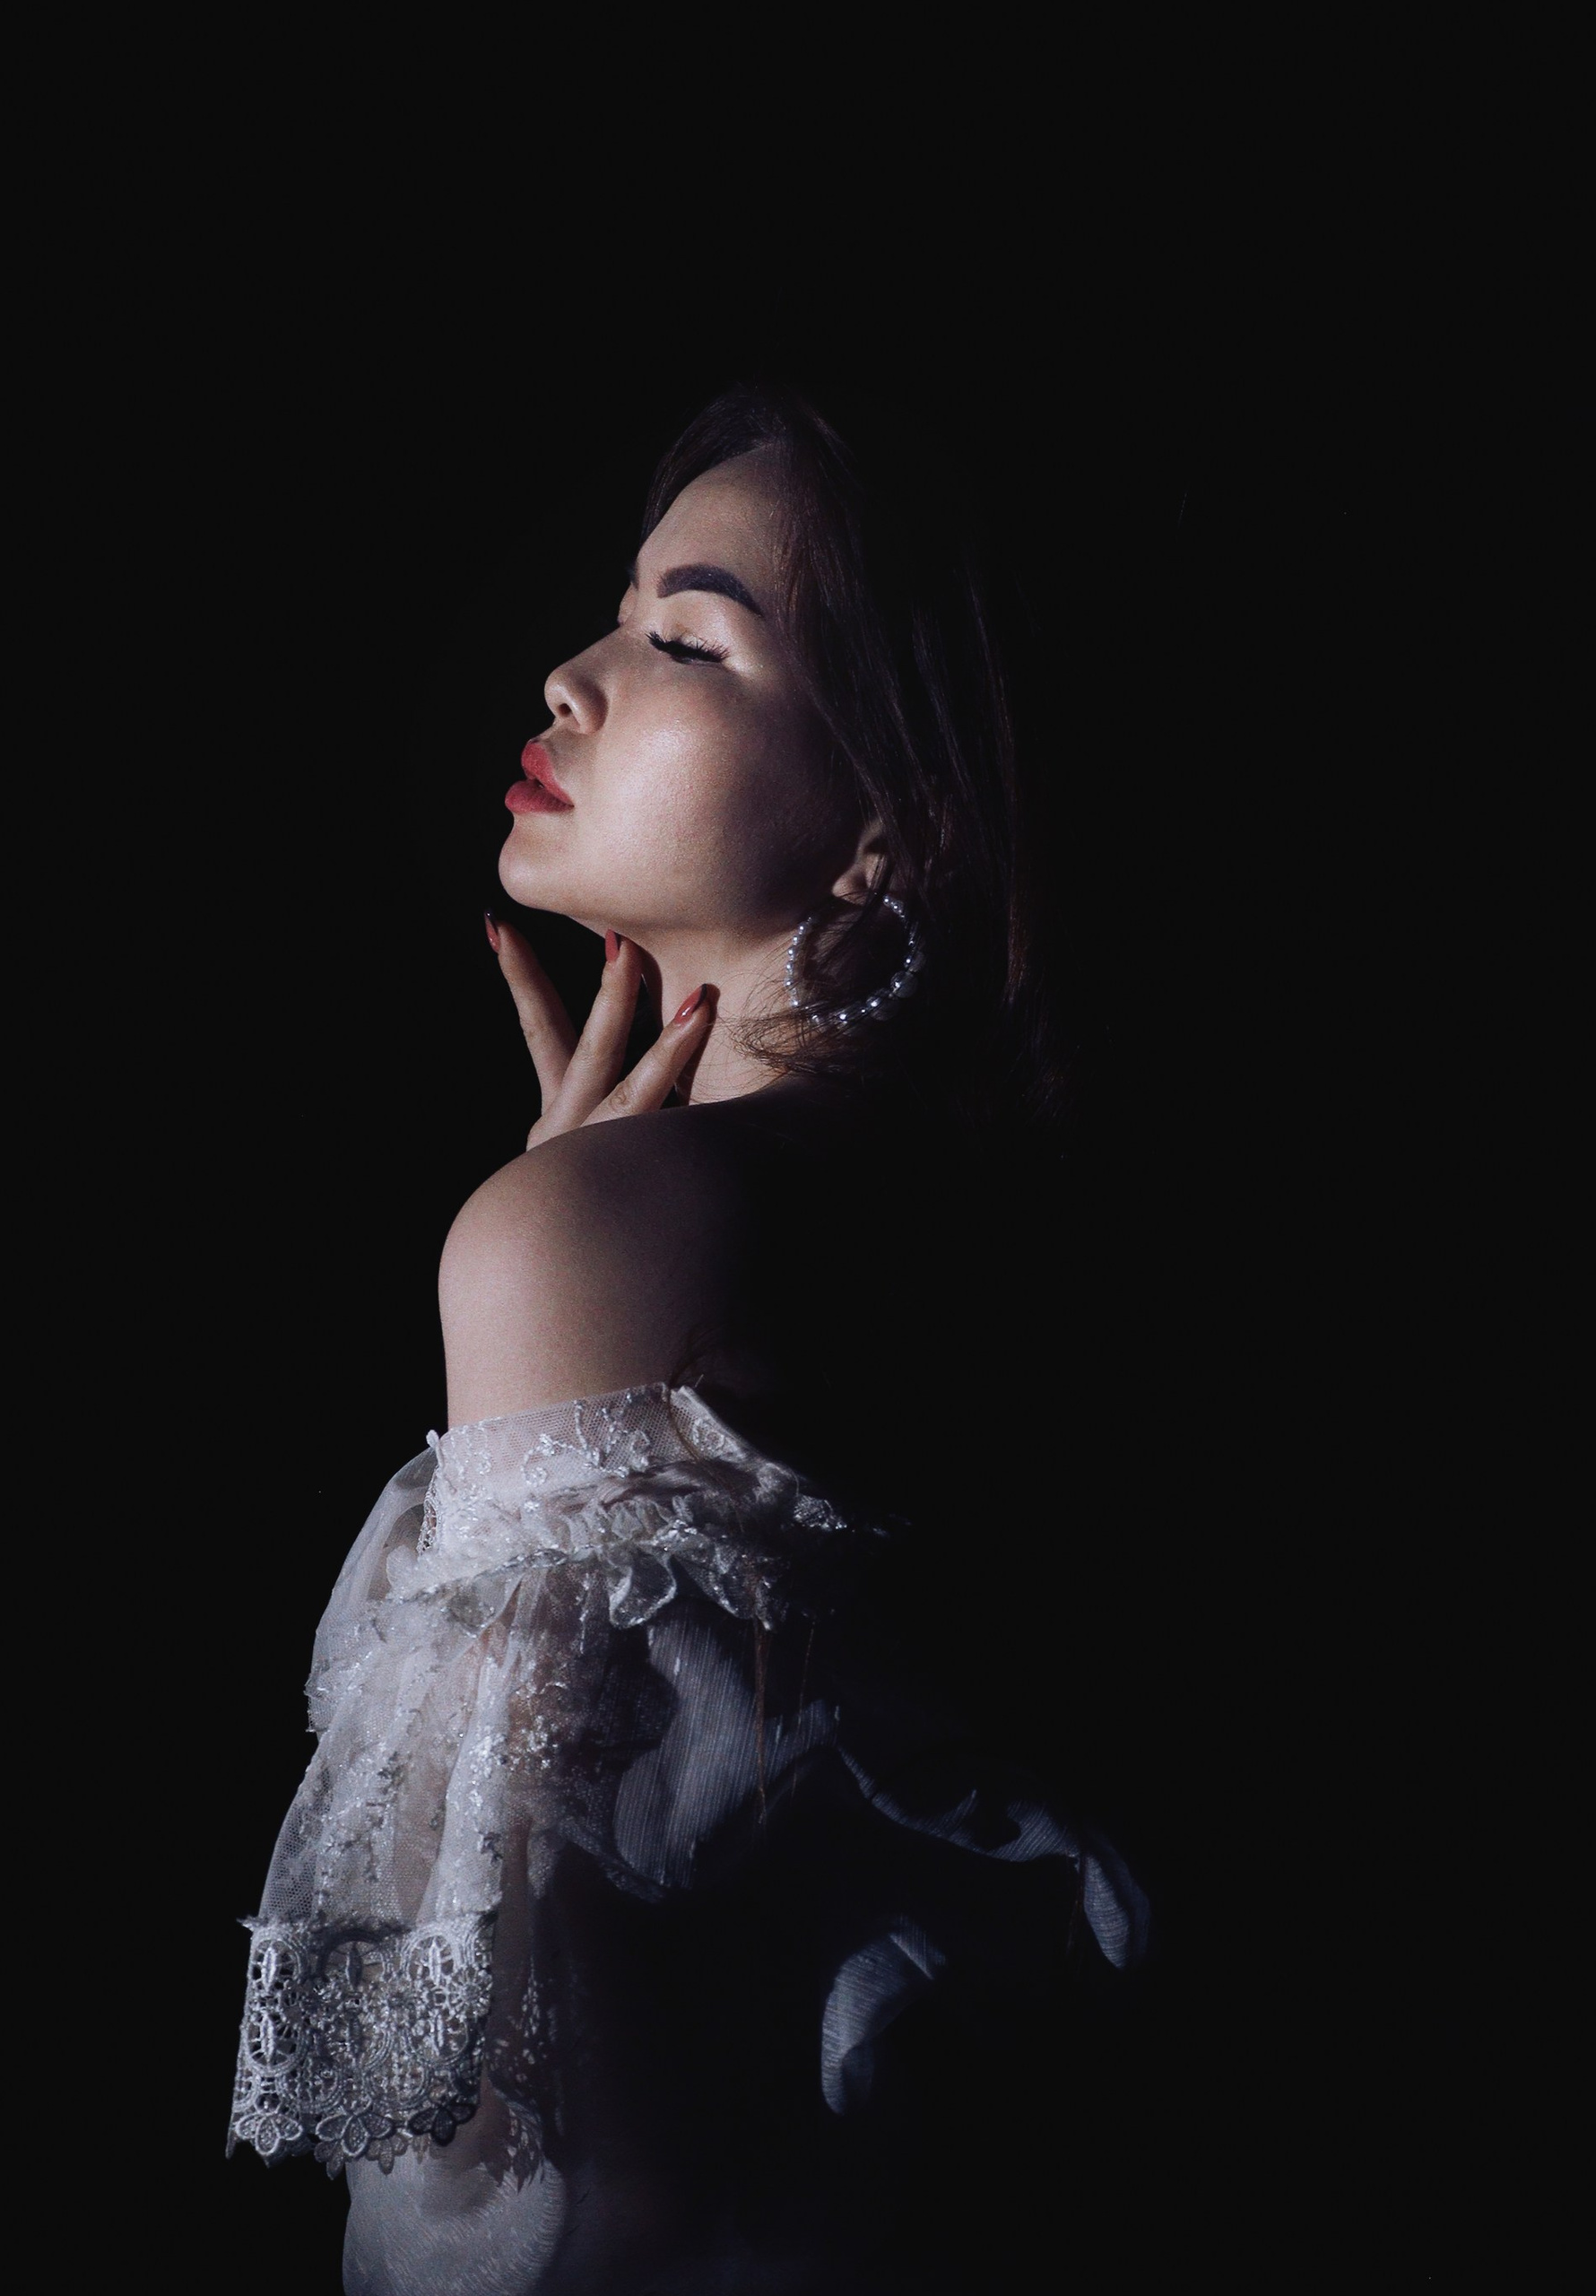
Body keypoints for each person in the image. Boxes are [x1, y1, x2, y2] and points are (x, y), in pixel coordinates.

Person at [226, 385, 1147, 2293]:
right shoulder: (985, 1224)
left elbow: (523, 2181)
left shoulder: (596, 1238)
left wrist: (560, 1240)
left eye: (683, 639)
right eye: (617, 610)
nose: (570, 677)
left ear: (898, 818)